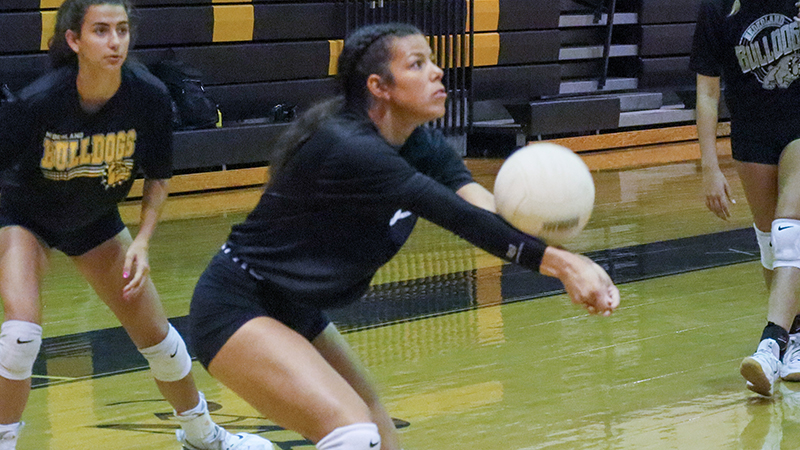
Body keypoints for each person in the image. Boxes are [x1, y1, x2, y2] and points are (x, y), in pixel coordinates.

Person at [187, 23, 620, 450]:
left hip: (296, 308)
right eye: (417, 64)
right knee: (353, 434)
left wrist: (565, 256)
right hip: (238, 305)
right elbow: (458, 218)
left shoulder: (420, 143)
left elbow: (481, 209)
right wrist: (565, 266)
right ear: (379, 86)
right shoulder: (350, 146)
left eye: (432, 61)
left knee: (378, 430)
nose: (437, 71)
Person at [0, 1, 274, 449]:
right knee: (20, 335)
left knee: (160, 341)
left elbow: (159, 176)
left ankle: (203, 436)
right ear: (74, 40)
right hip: (26, 216)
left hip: (94, 218)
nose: (115, 42)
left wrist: (143, 241)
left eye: (122, 30)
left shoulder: (148, 95)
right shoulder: (39, 101)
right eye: (101, 31)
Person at [691, 0, 800, 396]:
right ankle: (795, 336)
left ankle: (771, 344)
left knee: (790, 231)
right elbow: (707, 92)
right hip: (752, 135)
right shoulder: (716, 10)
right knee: (772, 243)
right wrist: (710, 167)